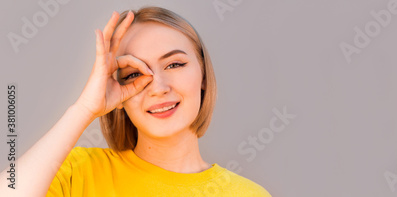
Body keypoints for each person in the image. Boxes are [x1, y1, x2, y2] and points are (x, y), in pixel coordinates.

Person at [0, 6, 271, 197]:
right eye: (135, 74)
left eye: (175, 64)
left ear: (202, 74)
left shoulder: (248, 194)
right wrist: (84, 108)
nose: (158, 88)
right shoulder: (77, 171)